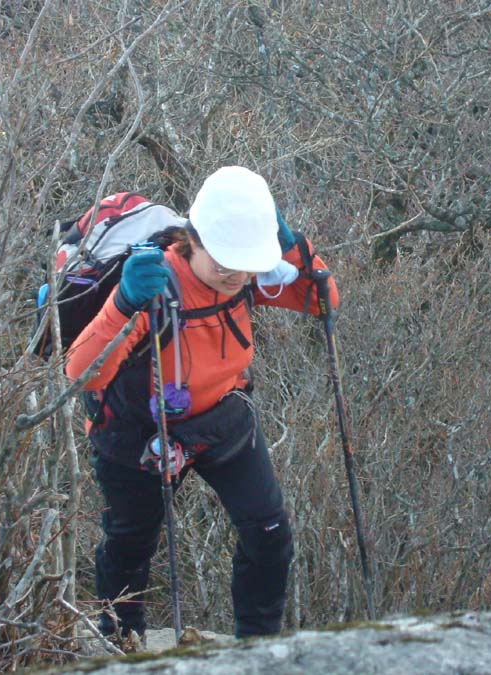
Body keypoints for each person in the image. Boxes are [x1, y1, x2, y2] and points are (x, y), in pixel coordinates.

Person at [65, 166, 340, 645]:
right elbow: (82, 373)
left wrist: (290, 245)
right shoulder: (153, 282)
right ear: (193, 240)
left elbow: (323, 302)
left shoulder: (247, 273)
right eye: (224, 261)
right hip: (137, 435)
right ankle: (121, 642)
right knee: (130, 544)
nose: (235, 275)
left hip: (222, 418)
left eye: (246, 262)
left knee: (269, 534)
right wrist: (125, 303)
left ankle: (256, 649)